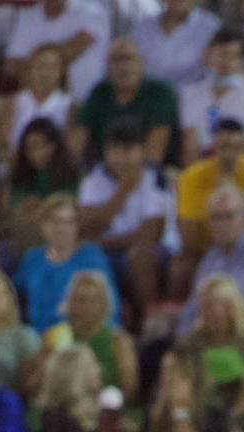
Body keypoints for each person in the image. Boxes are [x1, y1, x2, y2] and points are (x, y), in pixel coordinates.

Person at [76, 117, 170, 324]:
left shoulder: (154, 177)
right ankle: (100, 324)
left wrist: (102, 240)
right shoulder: (93, 178)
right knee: (85, 254)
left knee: (139, 255)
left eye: (128, 150)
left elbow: (150, 234)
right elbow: (85, 226)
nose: (121, 158)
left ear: (142, 151)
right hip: (105, 251)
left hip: (151, 252)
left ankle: (151, 324)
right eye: (115, 150)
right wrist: (123, 191)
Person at [173, 117, 244, 293]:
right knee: (179, 267)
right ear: (214, 145)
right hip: (204, 249)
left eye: (234, 146)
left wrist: (221, 232)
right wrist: (222, 238)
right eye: (223, 146)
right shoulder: (192, 175)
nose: (229, 153)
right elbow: (187, 234)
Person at [176, 183, 244, 336]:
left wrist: (203, 326)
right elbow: (194, 303)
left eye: (228, 216)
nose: (222, 225)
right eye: (215, 218)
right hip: (219, 333)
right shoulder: (212, 254)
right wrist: (184, 336)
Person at [14, 193, 118, 335]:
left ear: (77, 225)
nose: (61, 228)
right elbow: (12, 293)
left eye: (69, 222)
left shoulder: (92, 256)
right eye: (54, 221)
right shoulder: (32, 258)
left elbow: (110, 306)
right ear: (42, 224)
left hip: (81, 335)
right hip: (37, 338)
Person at [71, 38, 180, 168]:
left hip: (150, 173)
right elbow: (78, 137)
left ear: (142, 63)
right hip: (104, 169)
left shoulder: (160, 92)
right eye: (116, 60)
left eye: (129, 59)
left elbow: (155, 152)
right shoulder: (100, 91)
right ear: (106, 68)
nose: (123, 66)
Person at [178, 273, 244, 409]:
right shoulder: (195, 338)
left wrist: (234, 418)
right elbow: (182, 374)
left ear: (230, 306)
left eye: (211, 306)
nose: (205, 312)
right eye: (202, 306)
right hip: (204, 408)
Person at [42, 269, 139, 401]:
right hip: (64, 408)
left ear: (104, 303)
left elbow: (129, 387)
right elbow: (40, 382)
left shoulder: (118, 340)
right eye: (81, 300)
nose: (87, 306)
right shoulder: (56, 335)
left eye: (93, 300)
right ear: (70, 302)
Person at [180, 26, 244, 164]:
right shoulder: (190, 94)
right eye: (222, 54)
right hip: (200, 168)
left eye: (234, 56)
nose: (227, 62)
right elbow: (190, 146)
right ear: (209, 54)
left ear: (242, 61)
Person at [4, 0, 111, 105]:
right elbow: (12, 66)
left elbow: (67, 53)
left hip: (87, 103)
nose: (46, 71)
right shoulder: (28, 14)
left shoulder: (91, 11)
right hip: (37, 107)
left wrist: (35, 59)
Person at [2, 117, 80, 261]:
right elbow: (14, 207)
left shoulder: (72, 173)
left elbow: (69, 205)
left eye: (43, 146)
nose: (37, 154)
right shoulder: (21, 174)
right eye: (30, 148)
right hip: (22, 241)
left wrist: (41, 206)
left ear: (56, 144)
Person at [133, 349, 228, 432]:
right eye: (163, 370)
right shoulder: (155, 410)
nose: (165, 378)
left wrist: (180, 410)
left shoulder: (213, 412)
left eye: (172, 371)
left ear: (192, 376)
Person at [0, 44, 74, 167]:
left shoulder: (70, 105)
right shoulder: (13, 102)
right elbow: (1, 145)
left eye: (52, 67)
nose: (46, 73)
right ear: (30, 69)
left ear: (61, 72)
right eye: (41, 66)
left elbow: (70, 147)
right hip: (16, 166)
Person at [129, 0, 221, 90]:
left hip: (190, 98)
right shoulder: (143, 25)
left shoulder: (210, 27)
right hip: (148, 95)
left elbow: (216, 73)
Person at [35, 343, 102, 432]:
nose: (98, 368)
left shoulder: (104, 412)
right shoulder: (54, 416)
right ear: (73, 372)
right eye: (92, 364)